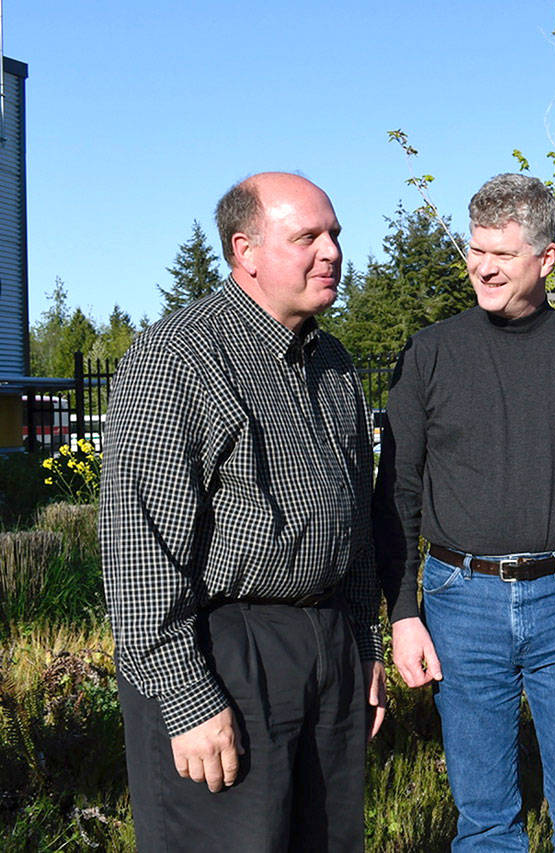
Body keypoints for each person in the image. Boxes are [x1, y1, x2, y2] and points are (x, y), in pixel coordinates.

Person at [100, 172, 386, 850]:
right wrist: (186, 697)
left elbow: (353, 522)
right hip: (224, 651)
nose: (332, 252)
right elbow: (138, 545)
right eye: (307, 237)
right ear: (245, 251)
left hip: (328, 645)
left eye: (335, 234)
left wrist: (363, 646)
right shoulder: (179, 356)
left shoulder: (332, 361)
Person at [374, 173, 555, 851]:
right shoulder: (429, 353)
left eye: (503, 254)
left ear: (546, 258)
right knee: (485, 820)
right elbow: (397, 491)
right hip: (459, 601)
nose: (483, 267)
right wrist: (403, 611)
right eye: (476, 250)